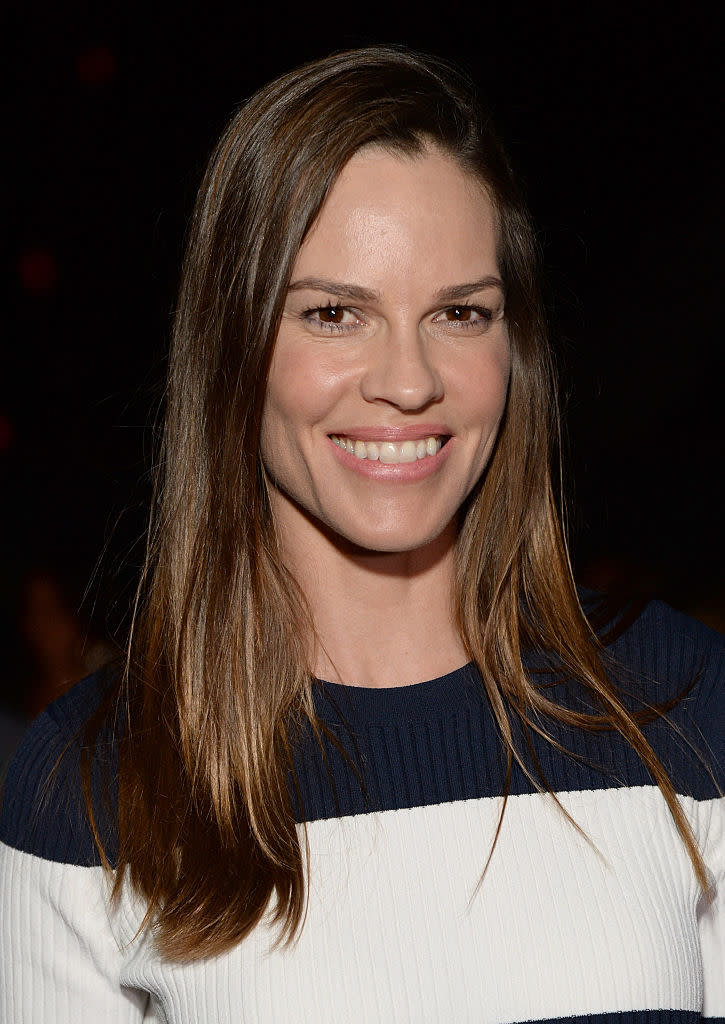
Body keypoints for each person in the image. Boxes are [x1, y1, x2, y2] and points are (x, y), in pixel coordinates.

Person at [1, 46, 723, 1023]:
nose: (409, 377)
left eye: (460, 312)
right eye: (335, 312)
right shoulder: (92, 782)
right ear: (232, 344)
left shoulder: (685, 706)